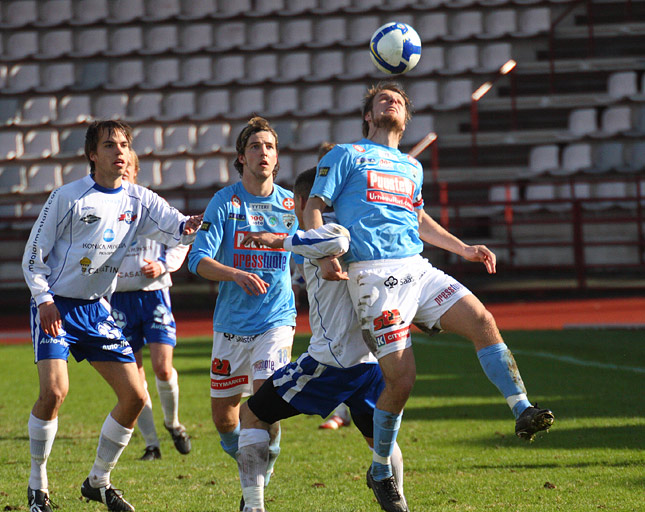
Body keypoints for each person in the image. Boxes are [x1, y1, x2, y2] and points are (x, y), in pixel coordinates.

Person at [304, 82, 555, 512]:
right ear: (368, 115)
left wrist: (464, 249)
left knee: (483, 321)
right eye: (382, 98)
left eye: (398, 99)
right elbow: (313, 206)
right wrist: (324, 252)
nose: (392, 101)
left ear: (406, 118)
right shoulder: (345, 155)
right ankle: (380, 468)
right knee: (402, 381)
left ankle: (522, 409)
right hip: (372, 275)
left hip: (418, 269)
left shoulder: (410, 167)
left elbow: (418, 219)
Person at [22, 120, 201, 512]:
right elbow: (32, 257)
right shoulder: (66, 197)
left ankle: (98, 481)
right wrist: (43, 299)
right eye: (109, 145)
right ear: (92, 155)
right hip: (56, 305)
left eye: (123, 144)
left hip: (97, 308)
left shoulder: (140, 199)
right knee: (54, 393)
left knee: (135, 396)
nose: (119, 151)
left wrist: (194, 225)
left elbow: (178, 229)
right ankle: (38, 487)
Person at [236, 167, 406, 512]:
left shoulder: (322, 235)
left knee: (251, 415)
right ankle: (400, 502)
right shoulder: (367, 230)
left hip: (332, 360)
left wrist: (280, 240)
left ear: (301, 202)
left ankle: (253, 507)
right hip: (370, 359)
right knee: (379, 439)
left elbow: (330, 241)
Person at [187, 116, 298, 497]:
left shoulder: (290, 203)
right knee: (224, 418)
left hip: (276, 320)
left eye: (269, 146)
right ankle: (256, 459)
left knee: (265, 400)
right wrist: (235, 274)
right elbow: (197, 259)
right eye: (255, 146)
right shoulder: (225, 202)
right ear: (241, 157)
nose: (262, 152)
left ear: (277, 157)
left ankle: (254, 497)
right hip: (232, 324)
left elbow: (311, 246)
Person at [110, 151, 191, 461]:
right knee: (134, 377)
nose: (122, 170)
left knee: (162, 366)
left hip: (154, 295)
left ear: (134, 171)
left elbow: (182, 238)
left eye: (128, 166)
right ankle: (151, 444)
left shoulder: (151, 207)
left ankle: (173, 423)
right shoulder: (103, 210)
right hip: (119, 300)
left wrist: (162, 265)